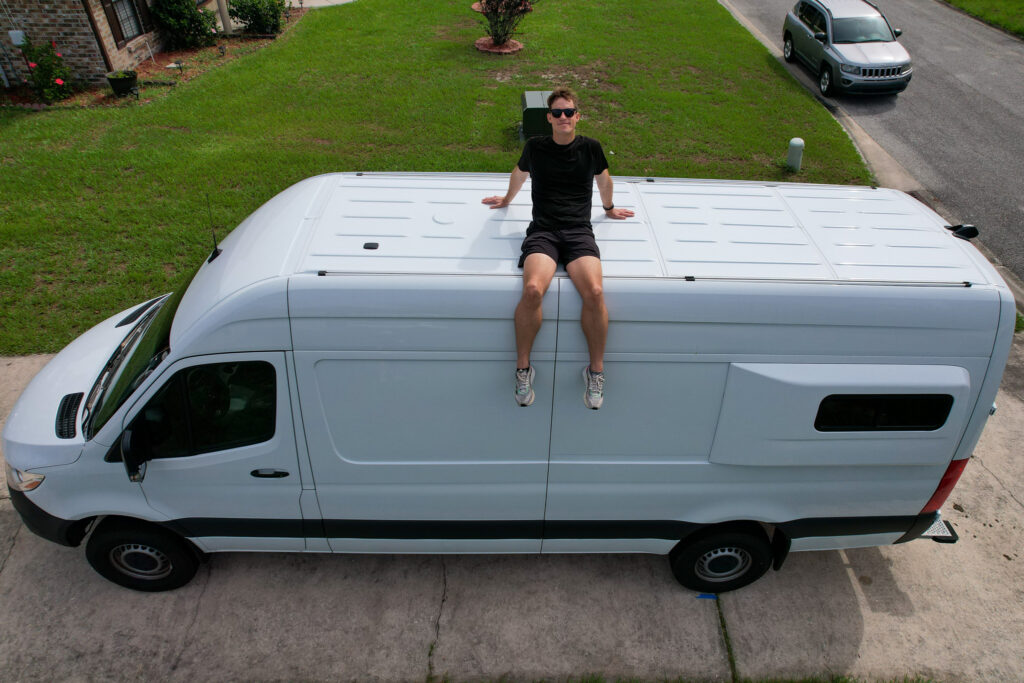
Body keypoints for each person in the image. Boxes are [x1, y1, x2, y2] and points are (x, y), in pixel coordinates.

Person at [482, 88, 634, 410]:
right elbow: (519, 174)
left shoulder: (591, 148)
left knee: (594, 291)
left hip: (579, 232)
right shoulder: (536, 147)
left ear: (577, 116)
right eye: (558, 113)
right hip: (545, 232)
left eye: (569, 112)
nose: (563, 117)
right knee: (534, 289)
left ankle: (595, 372)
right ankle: (523, 369)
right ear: (549, 118)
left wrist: (609, 207)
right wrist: (507, 199)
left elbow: (604, 180)